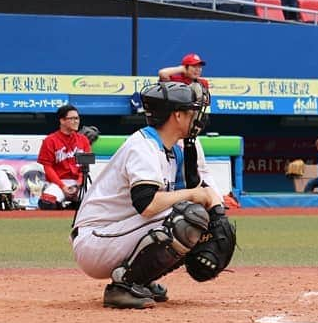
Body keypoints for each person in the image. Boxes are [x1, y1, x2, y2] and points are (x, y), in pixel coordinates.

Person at [71, 81, 232, 309]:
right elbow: (147, 205)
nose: (197, 117)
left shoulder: (174, 148)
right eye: (191, 111)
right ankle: (123, 285)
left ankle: (139, 279)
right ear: (177, 115)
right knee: (186, 217)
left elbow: (200, 191)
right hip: (95, 241)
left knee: (195, 215)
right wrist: (195, 197)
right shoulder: (143, 147)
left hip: (117, 233)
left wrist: (217, 213)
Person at [37, 104, 92, 210]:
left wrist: (79, 183)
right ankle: (66, 207)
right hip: (59, 182)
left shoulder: (83, 140)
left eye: (77, 118)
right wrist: (62, 186)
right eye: (72, 118)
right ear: (62, 120)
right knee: (47, 203)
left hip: (79, 182)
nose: (76, 121)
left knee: (93, 203)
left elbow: (85, 167)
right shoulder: (50, 140)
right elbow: (47, 168)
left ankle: (73, 206)